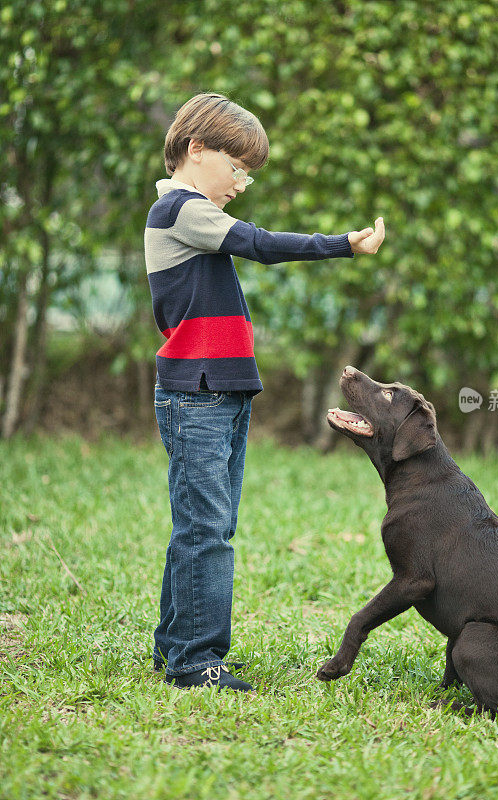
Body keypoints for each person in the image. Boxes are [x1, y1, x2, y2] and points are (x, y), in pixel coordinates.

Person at [145, 92, 385, 692]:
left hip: (218, 390)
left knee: (202, 525)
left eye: (250, 173)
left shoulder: (188, 213)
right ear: (196, 149)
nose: (242, 182)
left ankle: (175, 647)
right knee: (207, 529)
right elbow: (259, 243)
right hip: (197, 393)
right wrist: (340, 244)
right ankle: (197, 662)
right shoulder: (179, 209)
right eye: (237, 166)